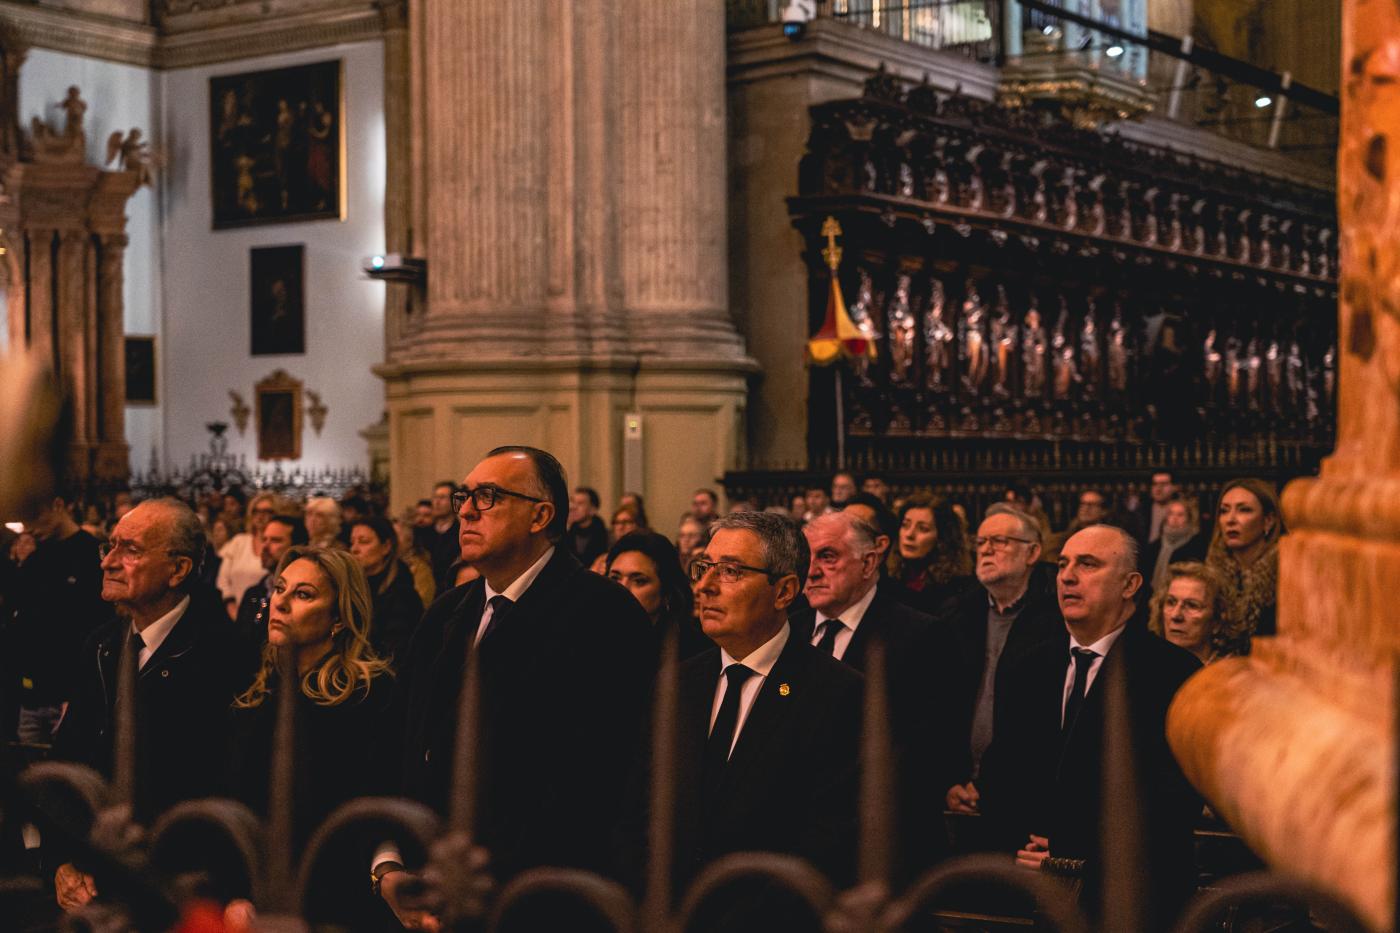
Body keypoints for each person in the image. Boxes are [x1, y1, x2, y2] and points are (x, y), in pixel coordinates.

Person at [376, 446, 654, 927]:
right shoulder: (447, 612)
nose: (465, 509)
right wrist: (388, 863)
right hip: (429, 888)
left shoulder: (604, 615)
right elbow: (400, 742)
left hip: (536, 899)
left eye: (487, 497)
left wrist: (475, 885)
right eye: (466, 496)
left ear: (540, 515)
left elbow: (597, 778)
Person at [622, 511, 862, 903]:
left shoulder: (837, 693)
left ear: (784, 591)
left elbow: (828, 841)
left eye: (731, 571)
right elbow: (637, 812)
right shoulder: (677, 683)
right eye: (704, 567)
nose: (705, 586)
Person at [977, 524, 1202, 931]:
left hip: (1132, 894)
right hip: (1033, 890)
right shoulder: (1029, 665)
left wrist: (1071, 852)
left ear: (1130, 584)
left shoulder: (1173, 672)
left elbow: (1173, 801)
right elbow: (1001, 774)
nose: (1066, 576)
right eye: (1063, 564)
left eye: (1088, 564)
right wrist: (1021, 849)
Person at [51, 499, 257, 911]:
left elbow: (230, 786)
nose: (108, 561)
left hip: (181, 885)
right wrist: (63, 861)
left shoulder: (224, 654)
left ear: (178, 569)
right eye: (108, 546)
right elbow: (70, 765)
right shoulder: (101, 645)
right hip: (96, 874)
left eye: (130, 550)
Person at [792, 510, 957, 874]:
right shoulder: (789, 631)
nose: (812, 570)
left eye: (828, 556)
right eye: (807, 558)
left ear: (868, 563)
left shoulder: (920, 636)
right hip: (794, 842)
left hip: (878, 846)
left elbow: (922, 754)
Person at [229, 546, 394, 856]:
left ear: (339, 618)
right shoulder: (260, 681)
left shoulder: (366, 694)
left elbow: (360, 812)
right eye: (279, 589)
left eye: (303, 595)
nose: (280, 602)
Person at [943, 504, 1062, 822]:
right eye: (980, 542)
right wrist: (950, 778)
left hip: (1030, 794)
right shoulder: (957, 613)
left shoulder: (1059, 615)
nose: (986, 550)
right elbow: (943, 704)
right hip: (959, 787)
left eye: (999, 541)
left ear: (1032, 552)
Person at [7, 493, 108, 744]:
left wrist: (77, 695)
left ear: (58, 505)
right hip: (31, 696)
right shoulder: (35, 560)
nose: (29, 527)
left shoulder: (91, 556)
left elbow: (96, 630)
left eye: (35, 517)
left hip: (72, 697)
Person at [606, 531, 712, 660]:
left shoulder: (694, 652)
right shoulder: (590, 639)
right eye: (614, 578)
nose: (622, 588)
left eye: (639, 581)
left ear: (666, 593)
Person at [1206, 477, 1284, 638]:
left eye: (1244, 510)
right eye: (1224, 511)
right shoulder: (1210, 576)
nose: (1230, 519)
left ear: (1268, 521)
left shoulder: (1286, 576)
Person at [348, 516, 425, 660]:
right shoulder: (353, 588)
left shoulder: (403, 595)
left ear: (386, 547)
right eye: (352, 542)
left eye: (364, 542)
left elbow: (395, 653)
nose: (354, 549)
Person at [890, 493, 974, 618]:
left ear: (942, 538)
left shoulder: (956, 590)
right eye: (905, 525)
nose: (909, 535)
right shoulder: (888, 578)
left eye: (923, 529)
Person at [1147, 561, 1246, 664]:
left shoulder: (1232, 675)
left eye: (1192, 605)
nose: (1175, 615)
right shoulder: (1144, 664)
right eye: (1171, 602)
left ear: (1218, 620)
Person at [234, 514, 309, 640]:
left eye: (275, 540)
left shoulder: (304, 596)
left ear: (296, 547)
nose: (265, 547)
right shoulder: (253, 593)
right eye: (264, 539)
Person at [216, 492, 279, 615]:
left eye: (266, 511)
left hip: (265, 615)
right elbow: (223, 580)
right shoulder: (239, 541)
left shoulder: (279, 546)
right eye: (256, 511)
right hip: (231, 612)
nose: (260, 516)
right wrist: (231, 606)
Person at [1140, 498, 1209, 595]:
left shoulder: (1196, 546)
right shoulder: (1154, 546)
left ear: (1188, 518)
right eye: (1171, 514)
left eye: (1180, 515)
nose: (1174, 518)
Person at [413, 480, 460, 593]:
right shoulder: (422, 532)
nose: (437, 502)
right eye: (435, 497)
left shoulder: (460, 532)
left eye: (442, 497)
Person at [392, 508, 437, 606]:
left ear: (409, 541)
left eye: (395, 537)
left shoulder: (421, 569)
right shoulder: (390, 563)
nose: (390, 541)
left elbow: (422, 603)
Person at [562, 486, 610, 568]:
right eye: (573, 502)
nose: (573, 507)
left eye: (580, 503)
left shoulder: (606, 536)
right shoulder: (567, 532)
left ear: (593, 510)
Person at [1131, 471, 1178, 545]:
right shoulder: (1141, 511)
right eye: (1155, 484)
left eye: (1163, 484)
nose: (1158, 488)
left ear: (1174, 487)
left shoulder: (1180, 511)